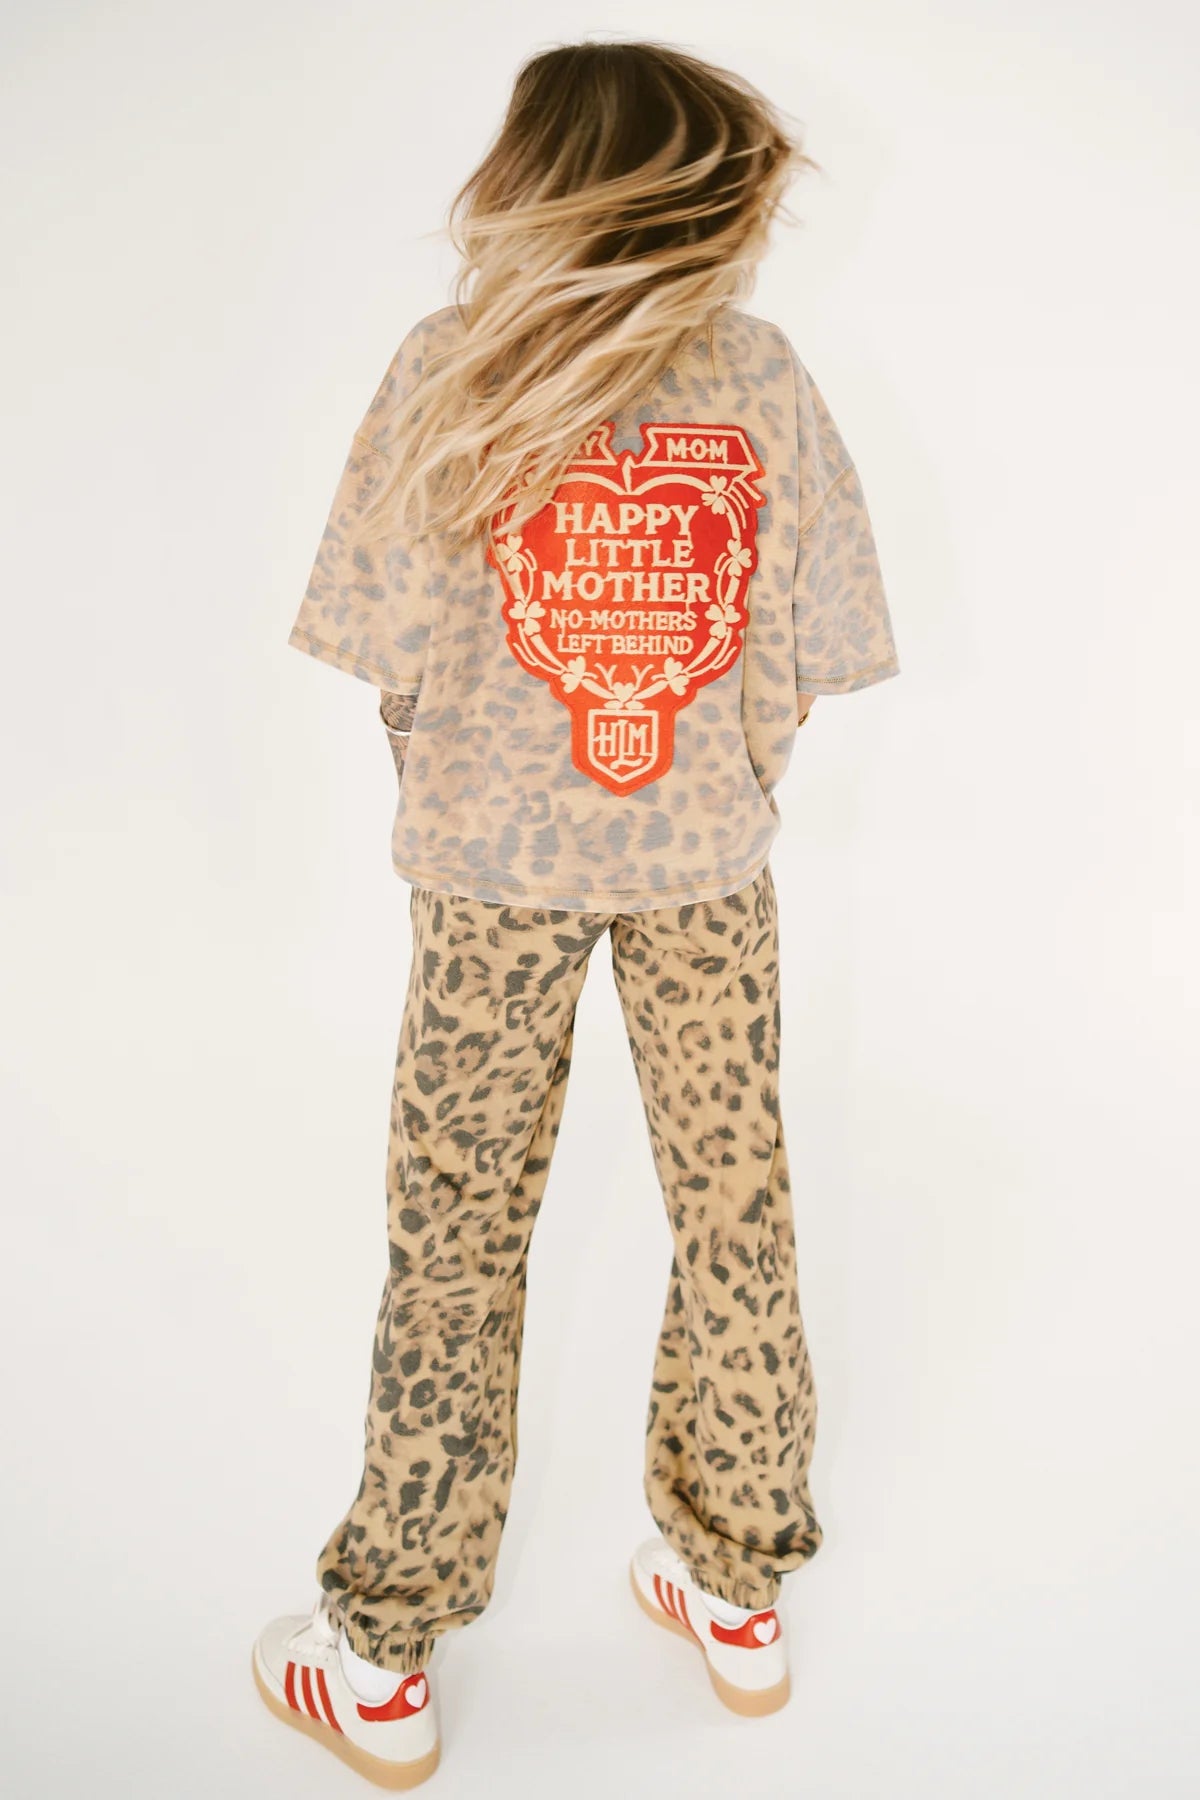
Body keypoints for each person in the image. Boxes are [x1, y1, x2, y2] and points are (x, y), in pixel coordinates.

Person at [251, 37, 899, 1788]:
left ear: (534, 178)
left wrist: (455, 769)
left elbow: (382, 645)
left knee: (453, 1242)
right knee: (737, 1213)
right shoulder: (760, 377)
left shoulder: (450, 365)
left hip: (488, 879)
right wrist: (725, 771)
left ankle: (381, 1657)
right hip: (705, 867)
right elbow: (816, 654)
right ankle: (738, 1589)